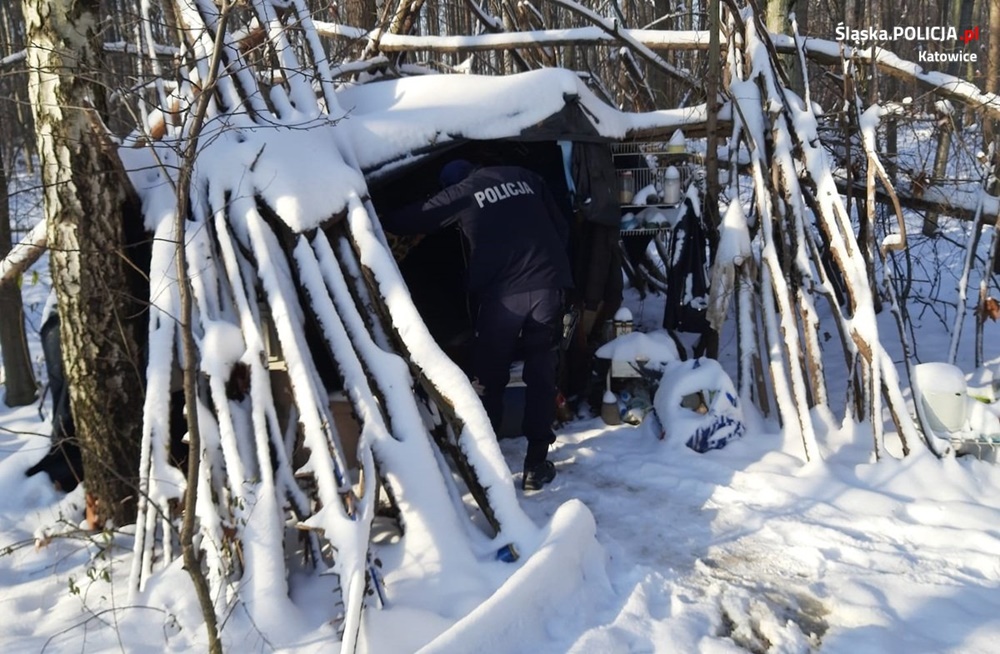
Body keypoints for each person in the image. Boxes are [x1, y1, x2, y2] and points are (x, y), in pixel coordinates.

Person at [381, 159, 573, 491]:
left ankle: (490, 465)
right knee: (542, 375)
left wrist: (373, 212)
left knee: (490, 377)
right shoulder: (525, 174)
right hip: (547, 287)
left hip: (502, 298)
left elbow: (413, 218)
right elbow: (562, 226)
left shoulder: (464, 192)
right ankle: (536, 464)